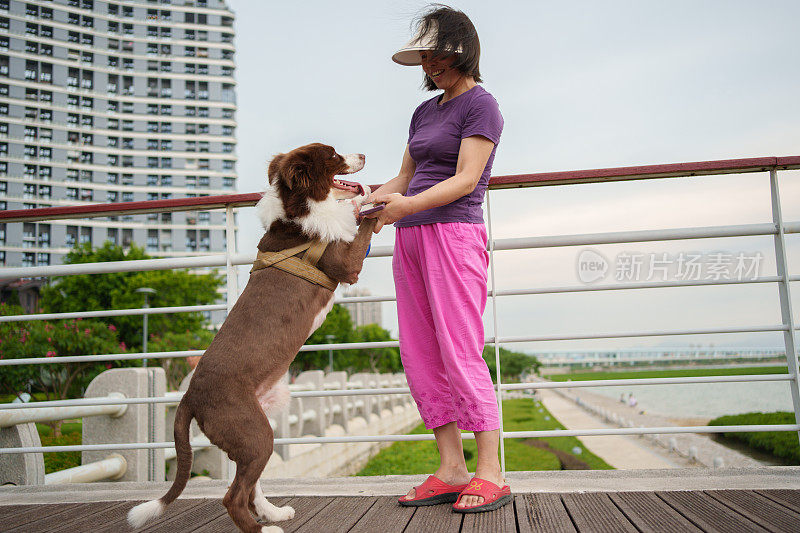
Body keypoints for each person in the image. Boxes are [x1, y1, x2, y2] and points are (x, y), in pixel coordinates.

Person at [364, 5, 509, 512]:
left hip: (454, 235)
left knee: (459, 349)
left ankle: (490, 471)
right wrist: (367, 198)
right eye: (424, 56)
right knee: (421, 353)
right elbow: (404, 178)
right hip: (411, 235)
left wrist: (403, 206)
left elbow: (468, 179)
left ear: (461, 49)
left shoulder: (482, 106)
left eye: (437, 53)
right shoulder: (424, 113)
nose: (429, 63)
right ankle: (451, 468)